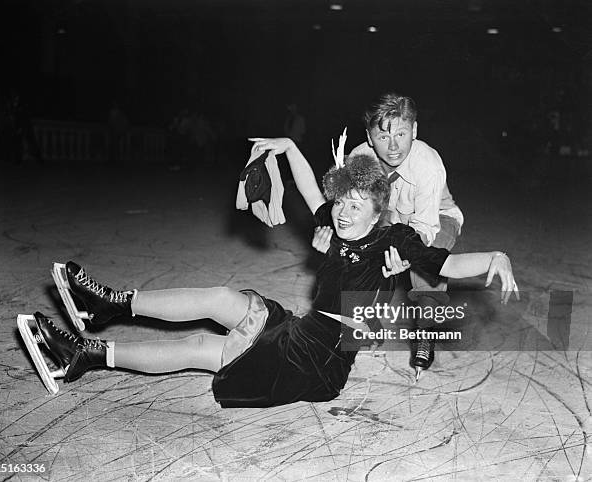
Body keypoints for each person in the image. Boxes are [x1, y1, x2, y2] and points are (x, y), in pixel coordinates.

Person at [29, 138, 517, 408]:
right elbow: (309, 193)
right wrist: (286, 147)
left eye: (356, 205)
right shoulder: (335, 226)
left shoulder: (396, 240)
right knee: (223, 297)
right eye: (341, 202)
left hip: (316, 365)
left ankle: (88, 355)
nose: (343, 213)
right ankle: (109, 304)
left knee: (206, 349)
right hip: (302, 331)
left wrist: (495, 258)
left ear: (378, 210)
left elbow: (448, 263)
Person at [314, 93, 464, 375]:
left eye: (402, 133)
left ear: (415, 131)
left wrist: (405, 258)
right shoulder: (358, 158)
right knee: (360, 257)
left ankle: (425, 333)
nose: (394, 146)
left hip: (435, 219)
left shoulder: (428, 165)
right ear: (370, 138)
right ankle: (366, 323)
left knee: (426, 269)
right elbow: (341, 207)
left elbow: (425, 229)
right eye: (383, 137)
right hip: (387, 218)